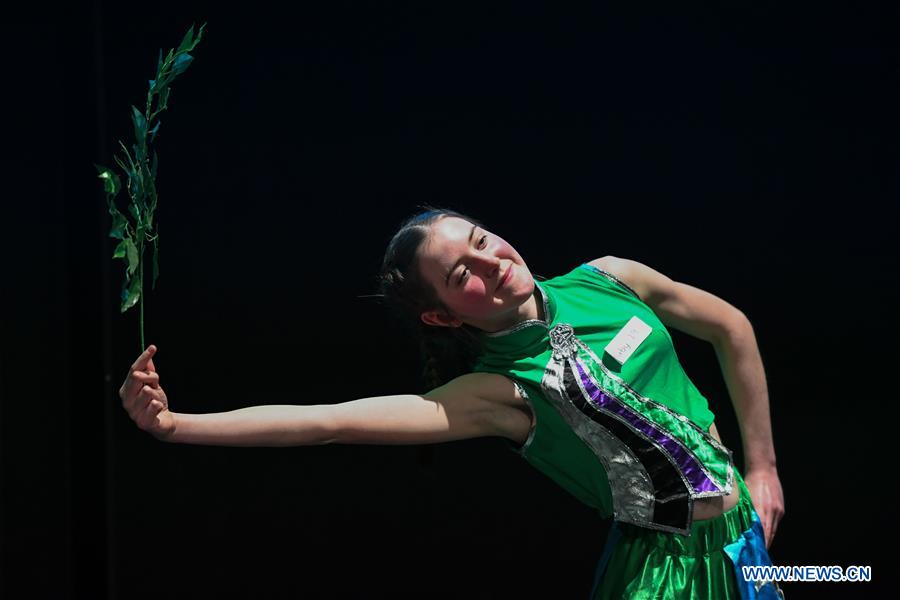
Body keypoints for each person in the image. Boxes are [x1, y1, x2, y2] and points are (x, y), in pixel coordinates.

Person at [119, 206, 785, 599]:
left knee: (834, 575)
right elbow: (327, 423)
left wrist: (763, 468)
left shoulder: (612, 279)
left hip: (744, 537)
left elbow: (732, 328)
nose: (491, 261)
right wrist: (175, 426)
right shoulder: (497, 391)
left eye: (481, 240)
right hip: (663, 574)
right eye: (462, 272)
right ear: (441, 317)